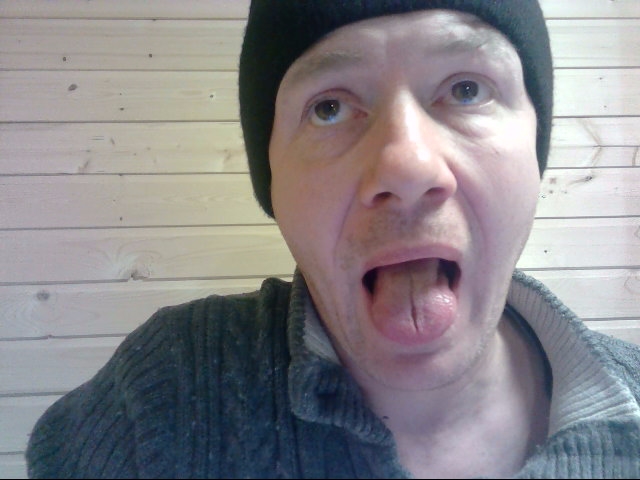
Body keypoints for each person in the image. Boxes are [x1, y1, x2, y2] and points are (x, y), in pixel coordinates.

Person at [26, 0, 640, 478]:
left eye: (466, 90)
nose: (407, 166)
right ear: (273, 183)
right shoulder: (169, 393)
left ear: (535, 151)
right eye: (329, 108)